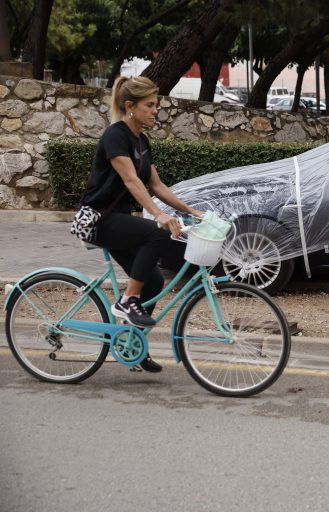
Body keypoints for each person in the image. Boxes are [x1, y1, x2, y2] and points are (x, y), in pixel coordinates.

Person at [80, 76, 203, 373]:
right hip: (100, 218)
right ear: (129, 106)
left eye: (156, 104)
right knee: (156, 234)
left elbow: (156, 185)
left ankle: (133, 346)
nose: (155, 110)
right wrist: (158, 216)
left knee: (155, 280)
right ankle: (127, 300)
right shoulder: (115, 136)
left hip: (118, 219)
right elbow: (131, 180)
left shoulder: (141, 141)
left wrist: (190, 211)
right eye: (149, 105)